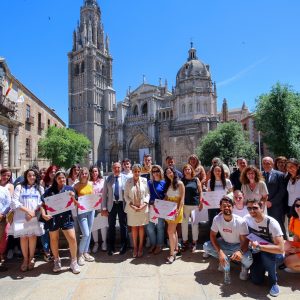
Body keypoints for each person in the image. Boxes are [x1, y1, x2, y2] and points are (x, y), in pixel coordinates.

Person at [203, 196, 252, 281]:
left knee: (248, 260)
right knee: (206, 246)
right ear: (220, 207)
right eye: (224, 206)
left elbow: (246, 242)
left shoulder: (240, 222)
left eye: (229, 206)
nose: (226, 208)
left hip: (238, 245)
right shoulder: (217, 219)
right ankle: (225, 259)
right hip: (224, 243)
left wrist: (240, 252)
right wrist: (220, 252)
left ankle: (244, 267)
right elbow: (212, 235)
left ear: (233, 207)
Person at [41, 171, 80, 274]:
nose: (61, 180)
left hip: (66, 217)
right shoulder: (49, 191)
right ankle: (57, 260)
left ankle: (73, 261)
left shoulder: (69, 189)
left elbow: (76, 204)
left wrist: (72, 197)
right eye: (59, 178)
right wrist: (43, 214)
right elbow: (42, 204)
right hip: (53, 218)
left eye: (63, 178)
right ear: (56, 179)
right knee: (54, 239)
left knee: (72, 239)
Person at [245, 199, 285, 297]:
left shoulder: (272, 223)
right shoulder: (247, 218)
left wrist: (259, 246)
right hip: (258, 251)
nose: (251, 211)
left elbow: (280, 248)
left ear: (262, 208)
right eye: (249, 208)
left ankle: (273, 281)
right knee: (256, 281)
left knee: (265, 255)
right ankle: (261, 268)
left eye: (255, 208)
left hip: (275, 254)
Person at [10, 168, 44, 272]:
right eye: (29, 175)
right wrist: (28, 211)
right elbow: (14, 202)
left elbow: (41, 203)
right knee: (23, 238)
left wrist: (33, 212)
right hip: (21, 217)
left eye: (33, 175)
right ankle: (25, 259)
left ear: (36, 177)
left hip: (33, 217)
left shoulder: (39, 188)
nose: (31, 177)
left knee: (32, 237)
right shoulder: (19, 187)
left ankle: (31, 258)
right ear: (26, 176)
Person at [102, 162, 128, 256]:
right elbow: (104, 194)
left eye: (118, 167)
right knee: (111, 226)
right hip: (111, 205)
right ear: (112, 168)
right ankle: (111, 247)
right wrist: (104, 208)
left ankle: (123, 246)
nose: (116, 169)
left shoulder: (126, 178)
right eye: (115, 167)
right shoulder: (108, 178)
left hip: (122, 205)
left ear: (121, 168)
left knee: (123, 226)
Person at [124, 164, 149, 257]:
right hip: (132, 208)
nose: (137, 173)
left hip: (142, 208)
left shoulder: (144, 180)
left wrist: (145, 204)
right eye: (135, 171)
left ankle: (141, 247)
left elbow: (147, 194)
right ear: (132, 171)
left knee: (141, 227)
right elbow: (125, 195)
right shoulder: (128, 181)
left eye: (138, 171)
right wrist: (131, 205)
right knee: (134, 227)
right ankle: (135, 247)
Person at [74, 167, 95, 266]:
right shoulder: (76, 186)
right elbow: (73, 200)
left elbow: (94, 196)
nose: (84, 175)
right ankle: (80, 254)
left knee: (89, 232)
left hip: (91, 211)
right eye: (82, 173)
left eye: (86, 173)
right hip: (81, 211)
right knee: (86, 233)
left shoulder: (91, 184)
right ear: (80, 174)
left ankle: (86, 252)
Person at [262, 157, 287, 239]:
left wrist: (271, 202)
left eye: (268, 163)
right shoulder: (259, 175)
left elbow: (282, 191)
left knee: (279, 226)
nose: (266, 165)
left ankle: (284, 244)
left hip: (276, 206)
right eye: (264, 163)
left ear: (272, 164)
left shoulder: (279, 175)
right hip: (263, 206)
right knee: (266, 226)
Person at [164, 167, 184, 263]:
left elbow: (182, 200)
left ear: (173, 172)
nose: (169, 174)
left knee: (170, 231)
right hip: (169, 209)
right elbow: (166, 198)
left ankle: (172, 254)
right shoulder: (168, 184)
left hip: (176, 209)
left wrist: (177, 211)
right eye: (167, 173)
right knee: (173, 231)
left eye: (170, 172)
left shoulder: (180, 184)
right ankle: (175, 249)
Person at [181, 164, 203, 253]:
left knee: (195, 225)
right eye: (185, 169)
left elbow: (200, 191)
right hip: (185, 205)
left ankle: (194, 242)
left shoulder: (196, 179)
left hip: (195, 204)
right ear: (184, 171)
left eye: (189, 169)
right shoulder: (182, 180)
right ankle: (185, 242)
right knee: (184, 224)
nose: (187, 171)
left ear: (191, 170)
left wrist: (201, 202)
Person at [146, 165, 166, 255]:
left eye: (157, 171)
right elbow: (146, 195)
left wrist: (161, 202)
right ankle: (153, 244)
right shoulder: (149, 183)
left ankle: (159, 245)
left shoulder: (164, 183)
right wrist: (150, 202)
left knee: (160, 227)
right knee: (150, 227)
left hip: (160, 208)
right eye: (153, 171)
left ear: (160, 171)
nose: (155, 173)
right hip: (151, 207)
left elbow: (166, 196)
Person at [90, 165, 107, 253]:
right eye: (92, 171)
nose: (94, 173)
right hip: (92, 208)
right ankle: (96, 243)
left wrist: (104, 207)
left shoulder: (103, 181)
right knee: (94, 227)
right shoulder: (88, 183)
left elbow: (106, 194)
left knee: (103, 225)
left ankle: (104, 242)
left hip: (102, 207)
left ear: (99, 172)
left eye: (96, 171)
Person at [284, 198, 300, 272]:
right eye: (297, 205)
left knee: (288, 262)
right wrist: (292, 250)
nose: (299, 207)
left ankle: (297, 267)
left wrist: (297, 250)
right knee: (284, 244)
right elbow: (296, 237)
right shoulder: (294, 219)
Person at [0, 184, 11, 271]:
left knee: (3, 238)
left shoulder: (4, 189)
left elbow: (8, 203)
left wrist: (2, 213)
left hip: (2, 218)